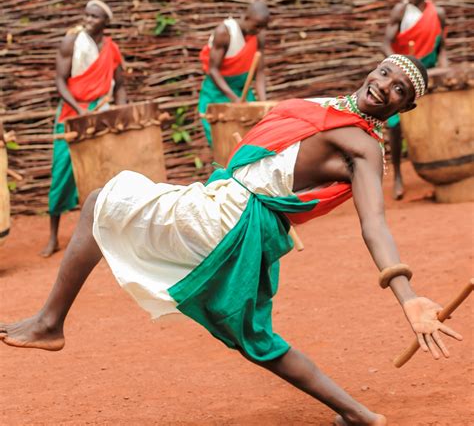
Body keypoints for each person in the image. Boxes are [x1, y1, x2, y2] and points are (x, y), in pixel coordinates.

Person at [2, 55, 462, 426]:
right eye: (385, 73)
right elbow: (281, 153)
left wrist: (406, 294)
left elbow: (374, 224)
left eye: (399, 90)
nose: (385, 85)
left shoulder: (364, 148)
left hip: (229, 218)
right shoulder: (336, 109)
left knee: (105, 198)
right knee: (252, 337)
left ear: (403, 110)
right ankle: (360, 414)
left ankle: (49, 323)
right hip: (229, 207)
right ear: (374, 67)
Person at [40, 0, 127, 257]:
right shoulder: (71, 42)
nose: (88, 20)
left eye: (95, 17)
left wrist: (119, 111)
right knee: (62, 171)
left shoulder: (112, 49)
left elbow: (120, 85)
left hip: (101, 112)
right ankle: (53, 237)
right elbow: (60, 81)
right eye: (86, 15)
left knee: (104, 172)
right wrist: (80, 111)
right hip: (72, 113)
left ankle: (107, 235)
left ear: (105, 22)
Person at [383, 0, 448, 199]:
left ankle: (443, 171)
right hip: (404, 76)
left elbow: (442, 48)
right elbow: (385, 44)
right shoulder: (400, 11)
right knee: (395, 124)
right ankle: (398, 176)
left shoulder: (437, 14)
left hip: (429, 73)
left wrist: (444, 71)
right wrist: (400, 66)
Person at [198, 0, 269, 145]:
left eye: (263, 27)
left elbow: (260, 72)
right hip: (218, 91)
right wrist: (234, 99)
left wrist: (263, 103)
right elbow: (212, 70)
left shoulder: (258, 35)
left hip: (243, 89)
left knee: (252, 137)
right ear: (246, 18)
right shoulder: (224, 33)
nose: (259, 31)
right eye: (257, 26)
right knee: (222, 141)